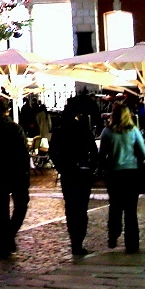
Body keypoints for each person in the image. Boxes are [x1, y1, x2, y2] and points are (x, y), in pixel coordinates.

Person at [48, 93, 99, 258]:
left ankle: (74, 241)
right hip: (82, 171)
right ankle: (79, 240)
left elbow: (52, 151)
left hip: (68, 172)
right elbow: (93, 150)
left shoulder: (60, 129)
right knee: (82, 207)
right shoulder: (82, 128)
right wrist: (91, 167)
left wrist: (60, 167)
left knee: (71, 207)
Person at [99, 104, 145, 253]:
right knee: (131, 210)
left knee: (115, 207)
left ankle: (113, 236)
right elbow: (143, 151)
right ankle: (132, 244)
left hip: (114, 173)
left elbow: (102, 154)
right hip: (131, 173)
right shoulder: (133, 131)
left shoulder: (107, 132)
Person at [0, 97, 30, 258]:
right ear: (7, 110)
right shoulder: (15, 128)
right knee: (21, 205)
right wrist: (26, 173)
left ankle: (4, 241)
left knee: (0, 209)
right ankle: (8, 237)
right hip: (15, 173)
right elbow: (25, 154)